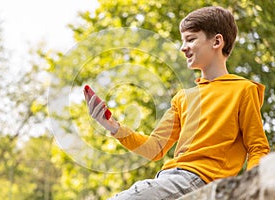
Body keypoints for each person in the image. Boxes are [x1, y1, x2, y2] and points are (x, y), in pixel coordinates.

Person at [83, 6, 270, 199]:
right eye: (183, 41)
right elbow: (155, 148)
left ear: (216, 41)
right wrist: (112, 126)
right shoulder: (183, 97)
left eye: (190, 39)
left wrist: (251, 188)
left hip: (198, 180)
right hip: (168, 179)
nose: (183, 47)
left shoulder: (243, 89)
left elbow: (257, 147)